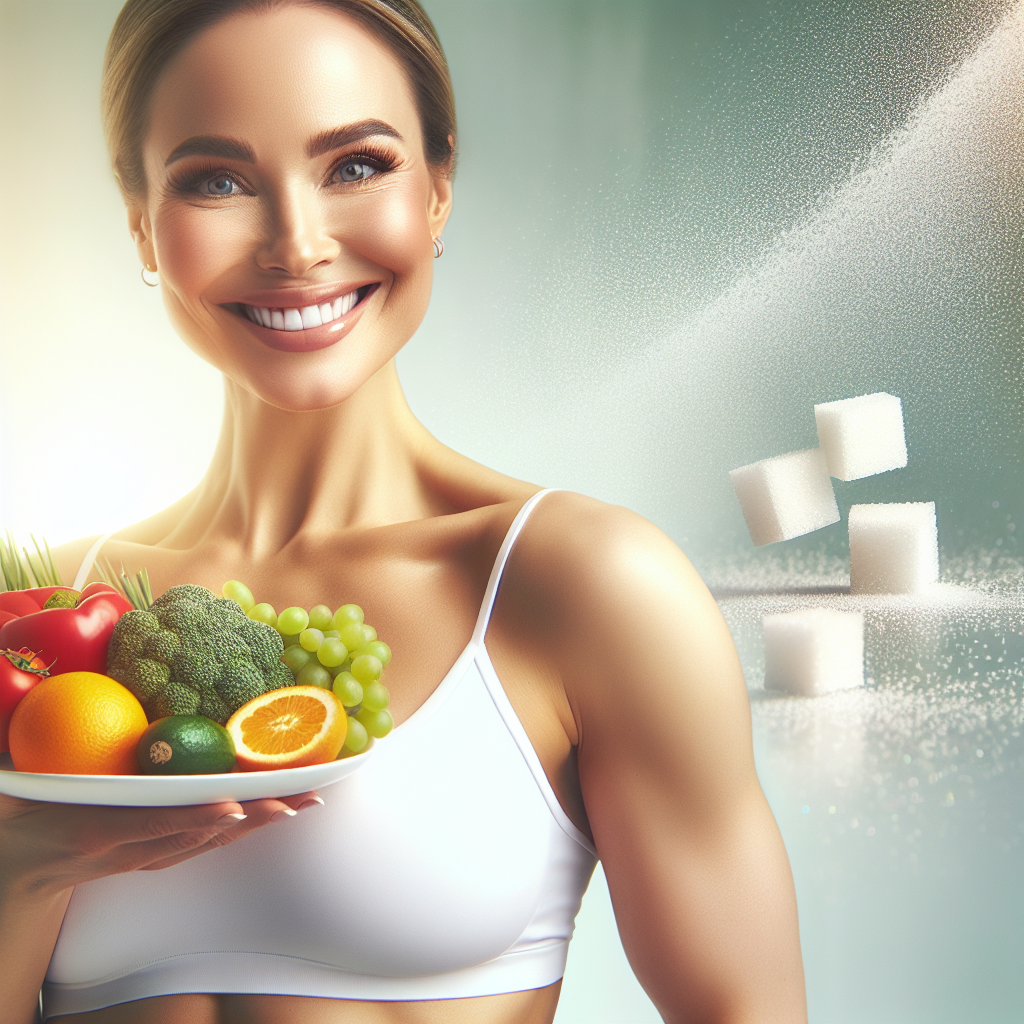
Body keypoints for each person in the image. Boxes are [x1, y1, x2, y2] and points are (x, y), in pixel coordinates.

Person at [0, 1, 807, 1021]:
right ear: (139, 223)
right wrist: (14, 877)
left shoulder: (582, 586)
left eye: (356, 165)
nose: (297, 245)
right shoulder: (44, 617)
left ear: (437, 190)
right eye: (216, 180)